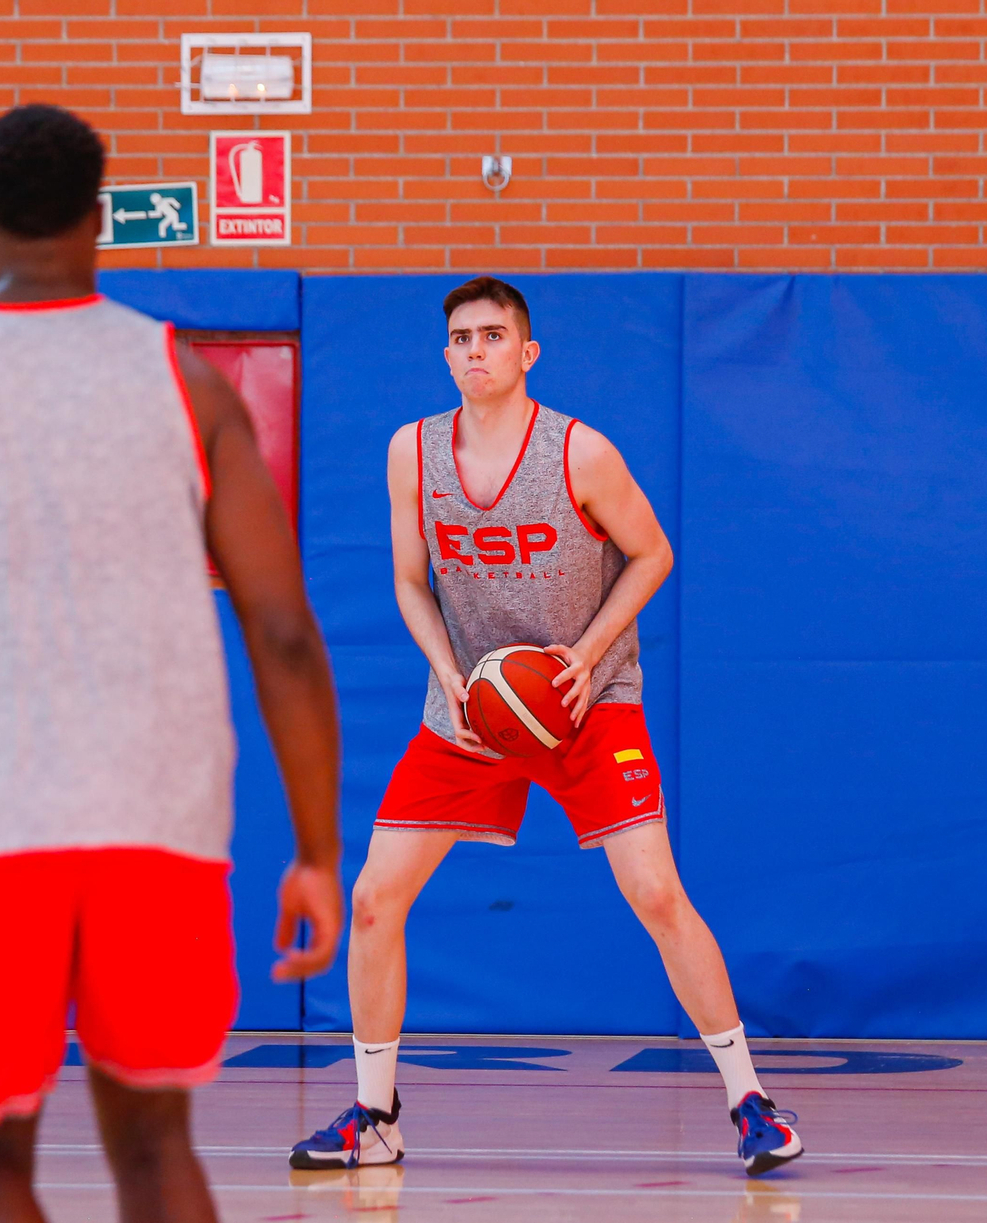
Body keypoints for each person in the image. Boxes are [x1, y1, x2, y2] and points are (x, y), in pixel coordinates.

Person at [0, 103, 345, 1223]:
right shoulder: (188, 385)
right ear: (100, 220)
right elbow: (282, 630)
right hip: (157, 824)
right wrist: (319, 849)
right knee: (154, 1146)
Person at [289, 276, 803, 1178]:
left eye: (494, 335)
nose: (476, 350)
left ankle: (752, 1101)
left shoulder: (579, 451)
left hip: (586, 696)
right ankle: (375, 1118)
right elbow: (411, 580)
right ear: (445, 353)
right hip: (474, 703)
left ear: (528, 353)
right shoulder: (412, 452)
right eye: (462, 337)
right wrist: (445, 669)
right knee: (374, 899)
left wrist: (586, 652)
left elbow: (652, 554)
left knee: (655, 894)